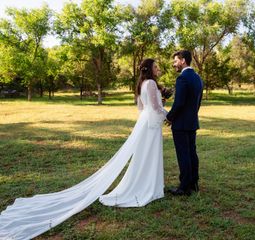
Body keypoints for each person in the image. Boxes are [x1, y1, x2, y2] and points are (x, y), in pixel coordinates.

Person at [0, 59, 167, 239]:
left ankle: (146, 185)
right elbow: (156, 108)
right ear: (149, 69)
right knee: (147, 156)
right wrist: (169, 115)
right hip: (150, 125)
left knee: (144, 157)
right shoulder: (150, 83)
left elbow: (141, 108)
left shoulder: (142, 84)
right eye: (156, 66)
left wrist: (158, 107)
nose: (158, 69)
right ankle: (147, 188)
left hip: (145, 123)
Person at [166, 50, 203, 196]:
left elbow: (179, 103)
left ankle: (184, 187)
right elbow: (197, 103)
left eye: (175, 61)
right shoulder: (197, 78)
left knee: (183, 154)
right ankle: (194, 184)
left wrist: (169, 117)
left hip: (181, 124)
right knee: (192, 153)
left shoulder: (182, 78)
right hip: (192, 122)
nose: (174, 64)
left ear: (182, 61)